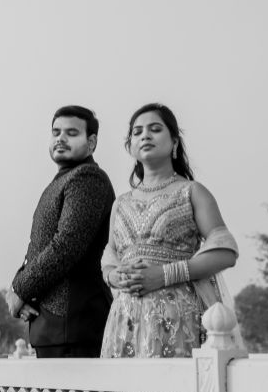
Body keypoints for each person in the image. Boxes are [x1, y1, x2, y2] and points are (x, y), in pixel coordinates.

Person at [99, 103, 243, 358]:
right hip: (125, 320)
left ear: (174, 142)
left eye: (155, 129)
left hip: (175, 318)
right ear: (131, 146)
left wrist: (163, 275)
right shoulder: (120, 203)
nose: (145, 136)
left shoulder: (192, 192)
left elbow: (225, 252)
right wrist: (115, 277)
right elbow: (109, 260)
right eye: (137, 132)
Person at [7, 105, 116, 358]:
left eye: (71, 133)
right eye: (56, 132)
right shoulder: (61, 181)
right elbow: (37, 248)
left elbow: (66, 246)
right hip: (52, 326)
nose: (61, 138)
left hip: (75, 324)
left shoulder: (88, 178)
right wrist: (17, 290)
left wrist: (20, 290)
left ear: (91, 142)